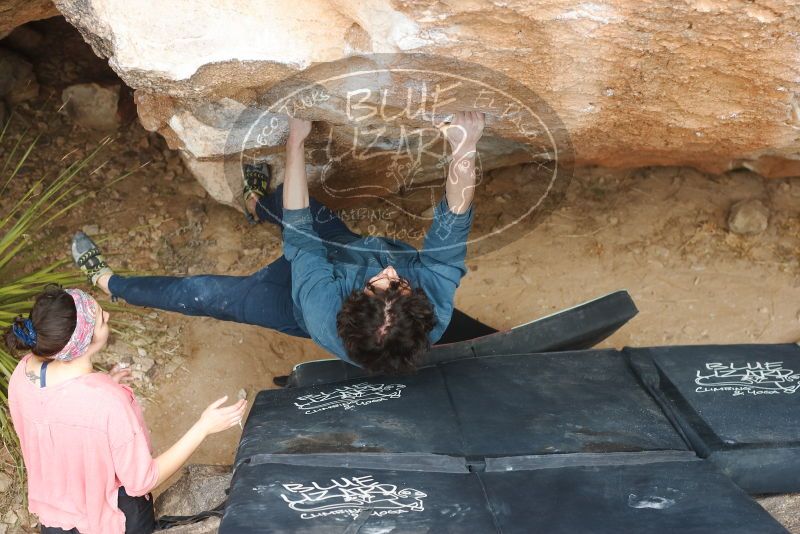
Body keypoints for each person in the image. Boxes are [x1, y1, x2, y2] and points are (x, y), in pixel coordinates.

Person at [72, 111, 485, 375]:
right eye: (401, 284)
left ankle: (111, 283)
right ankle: (256, 204)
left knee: (200, 292)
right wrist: (465, 147)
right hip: (351, 251)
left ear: (355, 299)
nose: (394, 272)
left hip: (290, 299)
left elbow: (299, 227)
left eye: (386, 283)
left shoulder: (322, 303)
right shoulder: (434, 304)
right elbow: (453, 222)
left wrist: (295, 142)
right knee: (310, 206)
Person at [5, 285, 247, 534]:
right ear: (85, 341)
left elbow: (58, 420)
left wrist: (102, 384)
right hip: (110, 520)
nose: (107, 317)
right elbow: (143, 481)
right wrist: (203, 426)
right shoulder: (107, 402)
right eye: (100, 319)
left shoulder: (22, 375)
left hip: (54, 521)